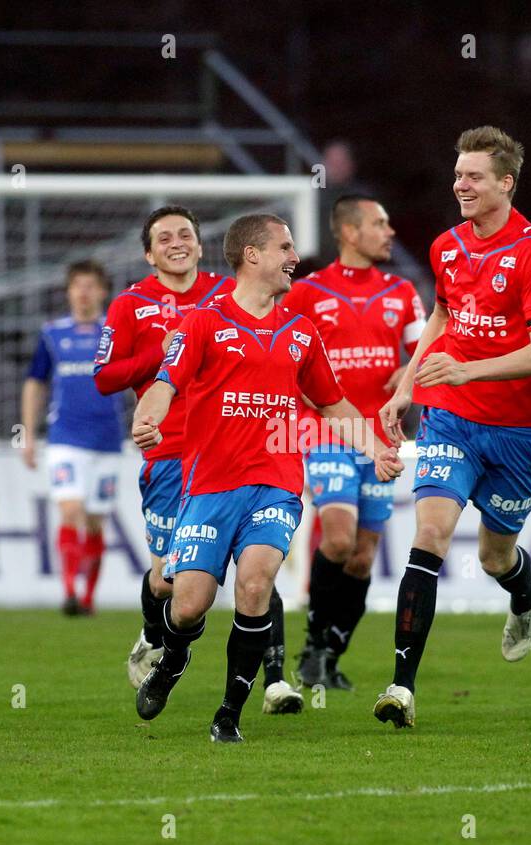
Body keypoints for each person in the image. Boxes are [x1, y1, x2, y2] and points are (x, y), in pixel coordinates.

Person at [131, 213, 402, 743]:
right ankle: (172, 663)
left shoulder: (301, 332)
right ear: (251, 255)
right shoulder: (206, 323)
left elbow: (333, 404)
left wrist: (376, 449)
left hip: (276, 483)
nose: (294, 257)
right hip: (209, 487)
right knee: (187, 605)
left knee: (255, 587)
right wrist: (149, 417)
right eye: (284, 247)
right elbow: (166, 383)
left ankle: (229, 714)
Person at [375, 126, 531, 729]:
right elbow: (443, 314)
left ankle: (525, 595)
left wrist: (466, 370)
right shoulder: (446, 247)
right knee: (428, 535)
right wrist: (409, 385)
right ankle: (402, 688)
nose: (461, 184)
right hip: (450, 421)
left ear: (505, 183)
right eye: (458, 174)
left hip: (517, 431)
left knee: (493, 556)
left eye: (474, 176)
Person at [92, 206, 303, 712]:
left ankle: (274, 680)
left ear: (203, 245)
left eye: (185, 233)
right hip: (168, 453)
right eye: (164, 237)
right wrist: (158, 355)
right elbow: (104, 377)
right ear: (148, 252)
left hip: (236, 449)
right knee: (169, 580)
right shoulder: (129, 304)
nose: (177, 242)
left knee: (257, 567)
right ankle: (154, 634)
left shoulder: (228, 292)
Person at [280, 194, 425, 690]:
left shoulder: (403, 292)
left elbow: (427, 349)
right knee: (338, 539)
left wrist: (411, 368)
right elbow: (280, 357)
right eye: (379, 223)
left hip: (382, 439)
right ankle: (314, 642)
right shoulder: (305, 293)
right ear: (348, 232)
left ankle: (330, 652)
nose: (389, 232)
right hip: (330, 431)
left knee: (363, 556)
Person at [21, 260, 124, 616]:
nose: (83, 292)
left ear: (103, 291)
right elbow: (35, 383)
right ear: (68, 291)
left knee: (95, 520)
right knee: (71, 509)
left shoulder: (117, 332)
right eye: (77, 285)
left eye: (90, 285)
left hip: (108, 440)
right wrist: (27, 435)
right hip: (65, 438)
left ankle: (89, 598)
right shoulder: (52, 334)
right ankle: (68, 592)